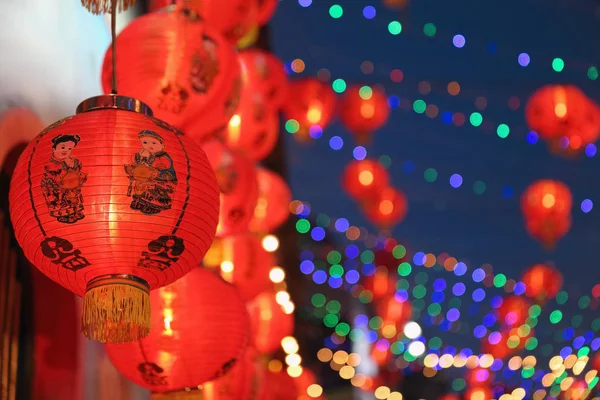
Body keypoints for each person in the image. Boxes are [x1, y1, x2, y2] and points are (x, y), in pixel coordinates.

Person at [125, 130, 177, 215]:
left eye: (154, 143)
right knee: (140, 186)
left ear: (162, 145)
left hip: (161, 180)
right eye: (145, 142)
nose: (149, 145)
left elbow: (162, 165)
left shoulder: (163, 156)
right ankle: (140, 202)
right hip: (146, 179)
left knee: (154, 192)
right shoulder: (144, 154)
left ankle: (154, 206)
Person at [41, 133, 87, 223]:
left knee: (73, 198)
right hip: (57, 186)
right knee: (62, 201)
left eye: (69, 148)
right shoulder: (52, 163)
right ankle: (64, 215)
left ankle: (75, 212)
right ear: (54, 149)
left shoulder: (72, 161)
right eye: (62, 147)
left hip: (70, 185)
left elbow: (77, 170)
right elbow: (49, 176)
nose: (66, 150)